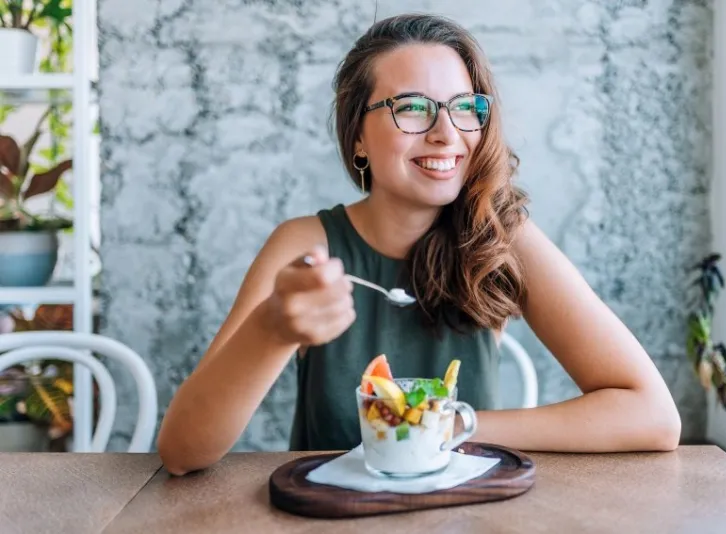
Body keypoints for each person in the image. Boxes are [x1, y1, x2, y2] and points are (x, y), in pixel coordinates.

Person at [157, 13, 681, 475]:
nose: (446, 133)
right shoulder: (306, 242)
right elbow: (183, 452)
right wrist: (271, 329)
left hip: (469, 516)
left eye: (464, 107)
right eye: (412, 107)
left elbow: (653, 416)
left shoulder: (500, 236)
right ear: (357, 135)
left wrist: (456, 424)